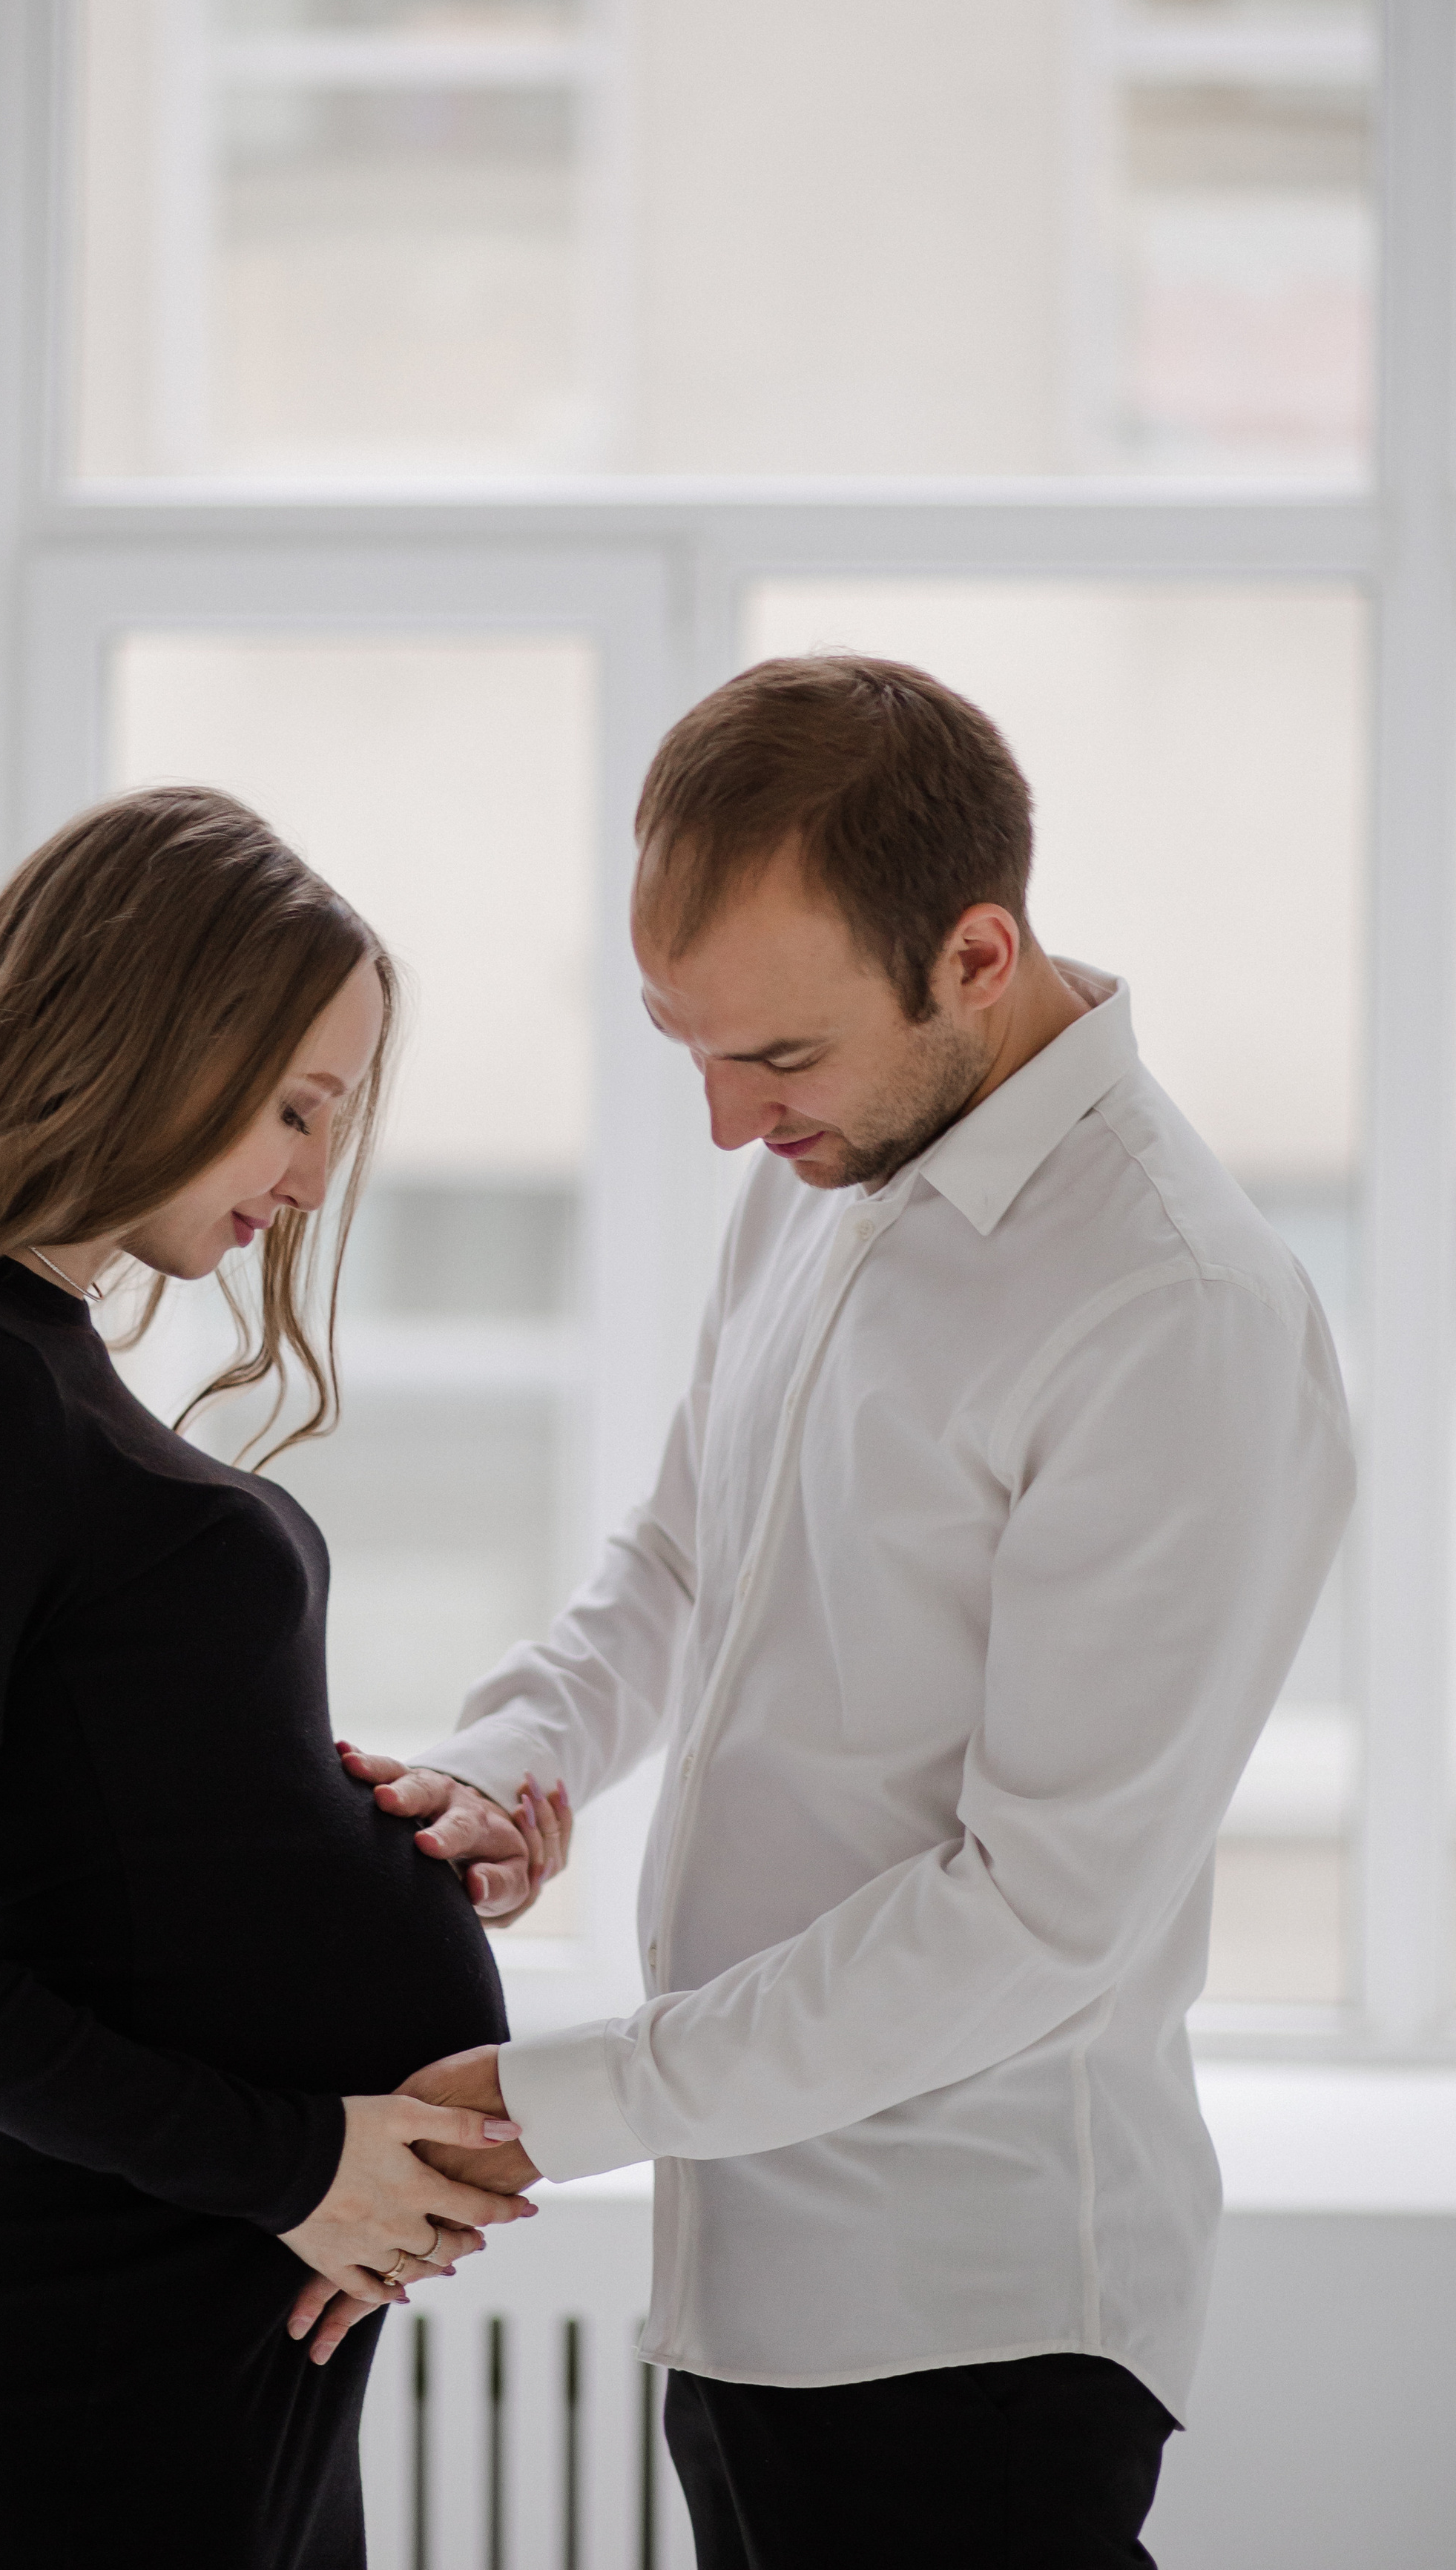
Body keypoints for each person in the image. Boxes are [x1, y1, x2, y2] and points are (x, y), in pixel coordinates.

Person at [299, 658, 1356, 2569]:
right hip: (754, 2278)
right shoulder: (832, 1163)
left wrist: (570, 2102)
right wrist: (500, 1767)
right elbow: (684, 1566)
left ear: (973, 954)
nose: (720, 1126)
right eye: (682, 1048)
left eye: (772, 1061)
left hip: (970, 2318)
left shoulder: (1171, 1310)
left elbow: (1037, 1907)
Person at [0, 786, 552, 2570]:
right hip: (102, 2331)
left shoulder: (34, 1366)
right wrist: (297, 2160)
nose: (312, 1179)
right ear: (143, 1035)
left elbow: (109, 1830)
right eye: (292, 1107)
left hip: (226, 2300)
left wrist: (362, 1821)